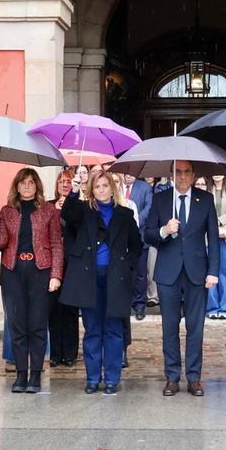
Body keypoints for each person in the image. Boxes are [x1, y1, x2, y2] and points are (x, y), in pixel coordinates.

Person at [60, 169, 142, 394]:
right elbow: (67, 214)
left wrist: (128, 266)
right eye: (97, 187)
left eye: (105, 186)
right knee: (93, 329)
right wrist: (74, 191)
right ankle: (93, 378)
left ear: (112, 188)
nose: (102, 190)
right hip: (89, 277)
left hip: (116, 278)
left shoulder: (124, 214)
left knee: (114, 330)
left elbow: (137, 244)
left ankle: (112, 379)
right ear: (92, 190)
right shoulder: (84, 211)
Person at [143, 159, 220, 397]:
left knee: (195, 328)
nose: (183, 177)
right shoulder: (161, 199)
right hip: (168, 272)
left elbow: (214, 239)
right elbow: (148, 234)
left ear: (193, 174)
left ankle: (194, 377)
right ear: (171, 174)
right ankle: (172, 377)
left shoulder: (205, 199)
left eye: (187, 172)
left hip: (197, 272)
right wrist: (165, 230)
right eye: (178, 172)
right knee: (170, 327)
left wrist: (213, 271)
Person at [0, 168, 64, 394]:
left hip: (40, 270)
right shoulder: (8, 211)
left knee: (37, 324)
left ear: (37, 186)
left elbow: (57, 244)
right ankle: (20, 374)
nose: (27, 187)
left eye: (31, 183)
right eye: (23, 183)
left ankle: (36, 375)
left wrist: (56, 275)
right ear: (16, 186)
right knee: (17, 324)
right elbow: (0, 241)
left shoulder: (48, 211)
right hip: (12, 271)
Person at [48, 168, 81, 368]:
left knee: (70, 309)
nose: (64, 184)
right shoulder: (49, 205)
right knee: (53, 310)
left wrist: (68, 209)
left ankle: (70, 353)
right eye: (61, 181)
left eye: (68, 181)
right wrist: (56, 211)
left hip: (72, 262)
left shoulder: (79, 205)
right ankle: (55, 353)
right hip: (53, 263)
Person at [206, 174, 226, 320]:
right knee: (210, 272)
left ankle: (224, 308)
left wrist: (218, 222)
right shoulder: (206, 190)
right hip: (208, 236)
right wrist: (212, 225)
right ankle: (212, 307)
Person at [123, 173, 153, 320]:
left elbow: (149, 207)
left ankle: (140, 305)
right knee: (124, 273)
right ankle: (125, 303)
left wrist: (133, 223)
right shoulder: (116, 187)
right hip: (120, 240)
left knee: (140, 274)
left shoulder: (145, 188)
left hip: (140, 236)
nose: (128, 175)